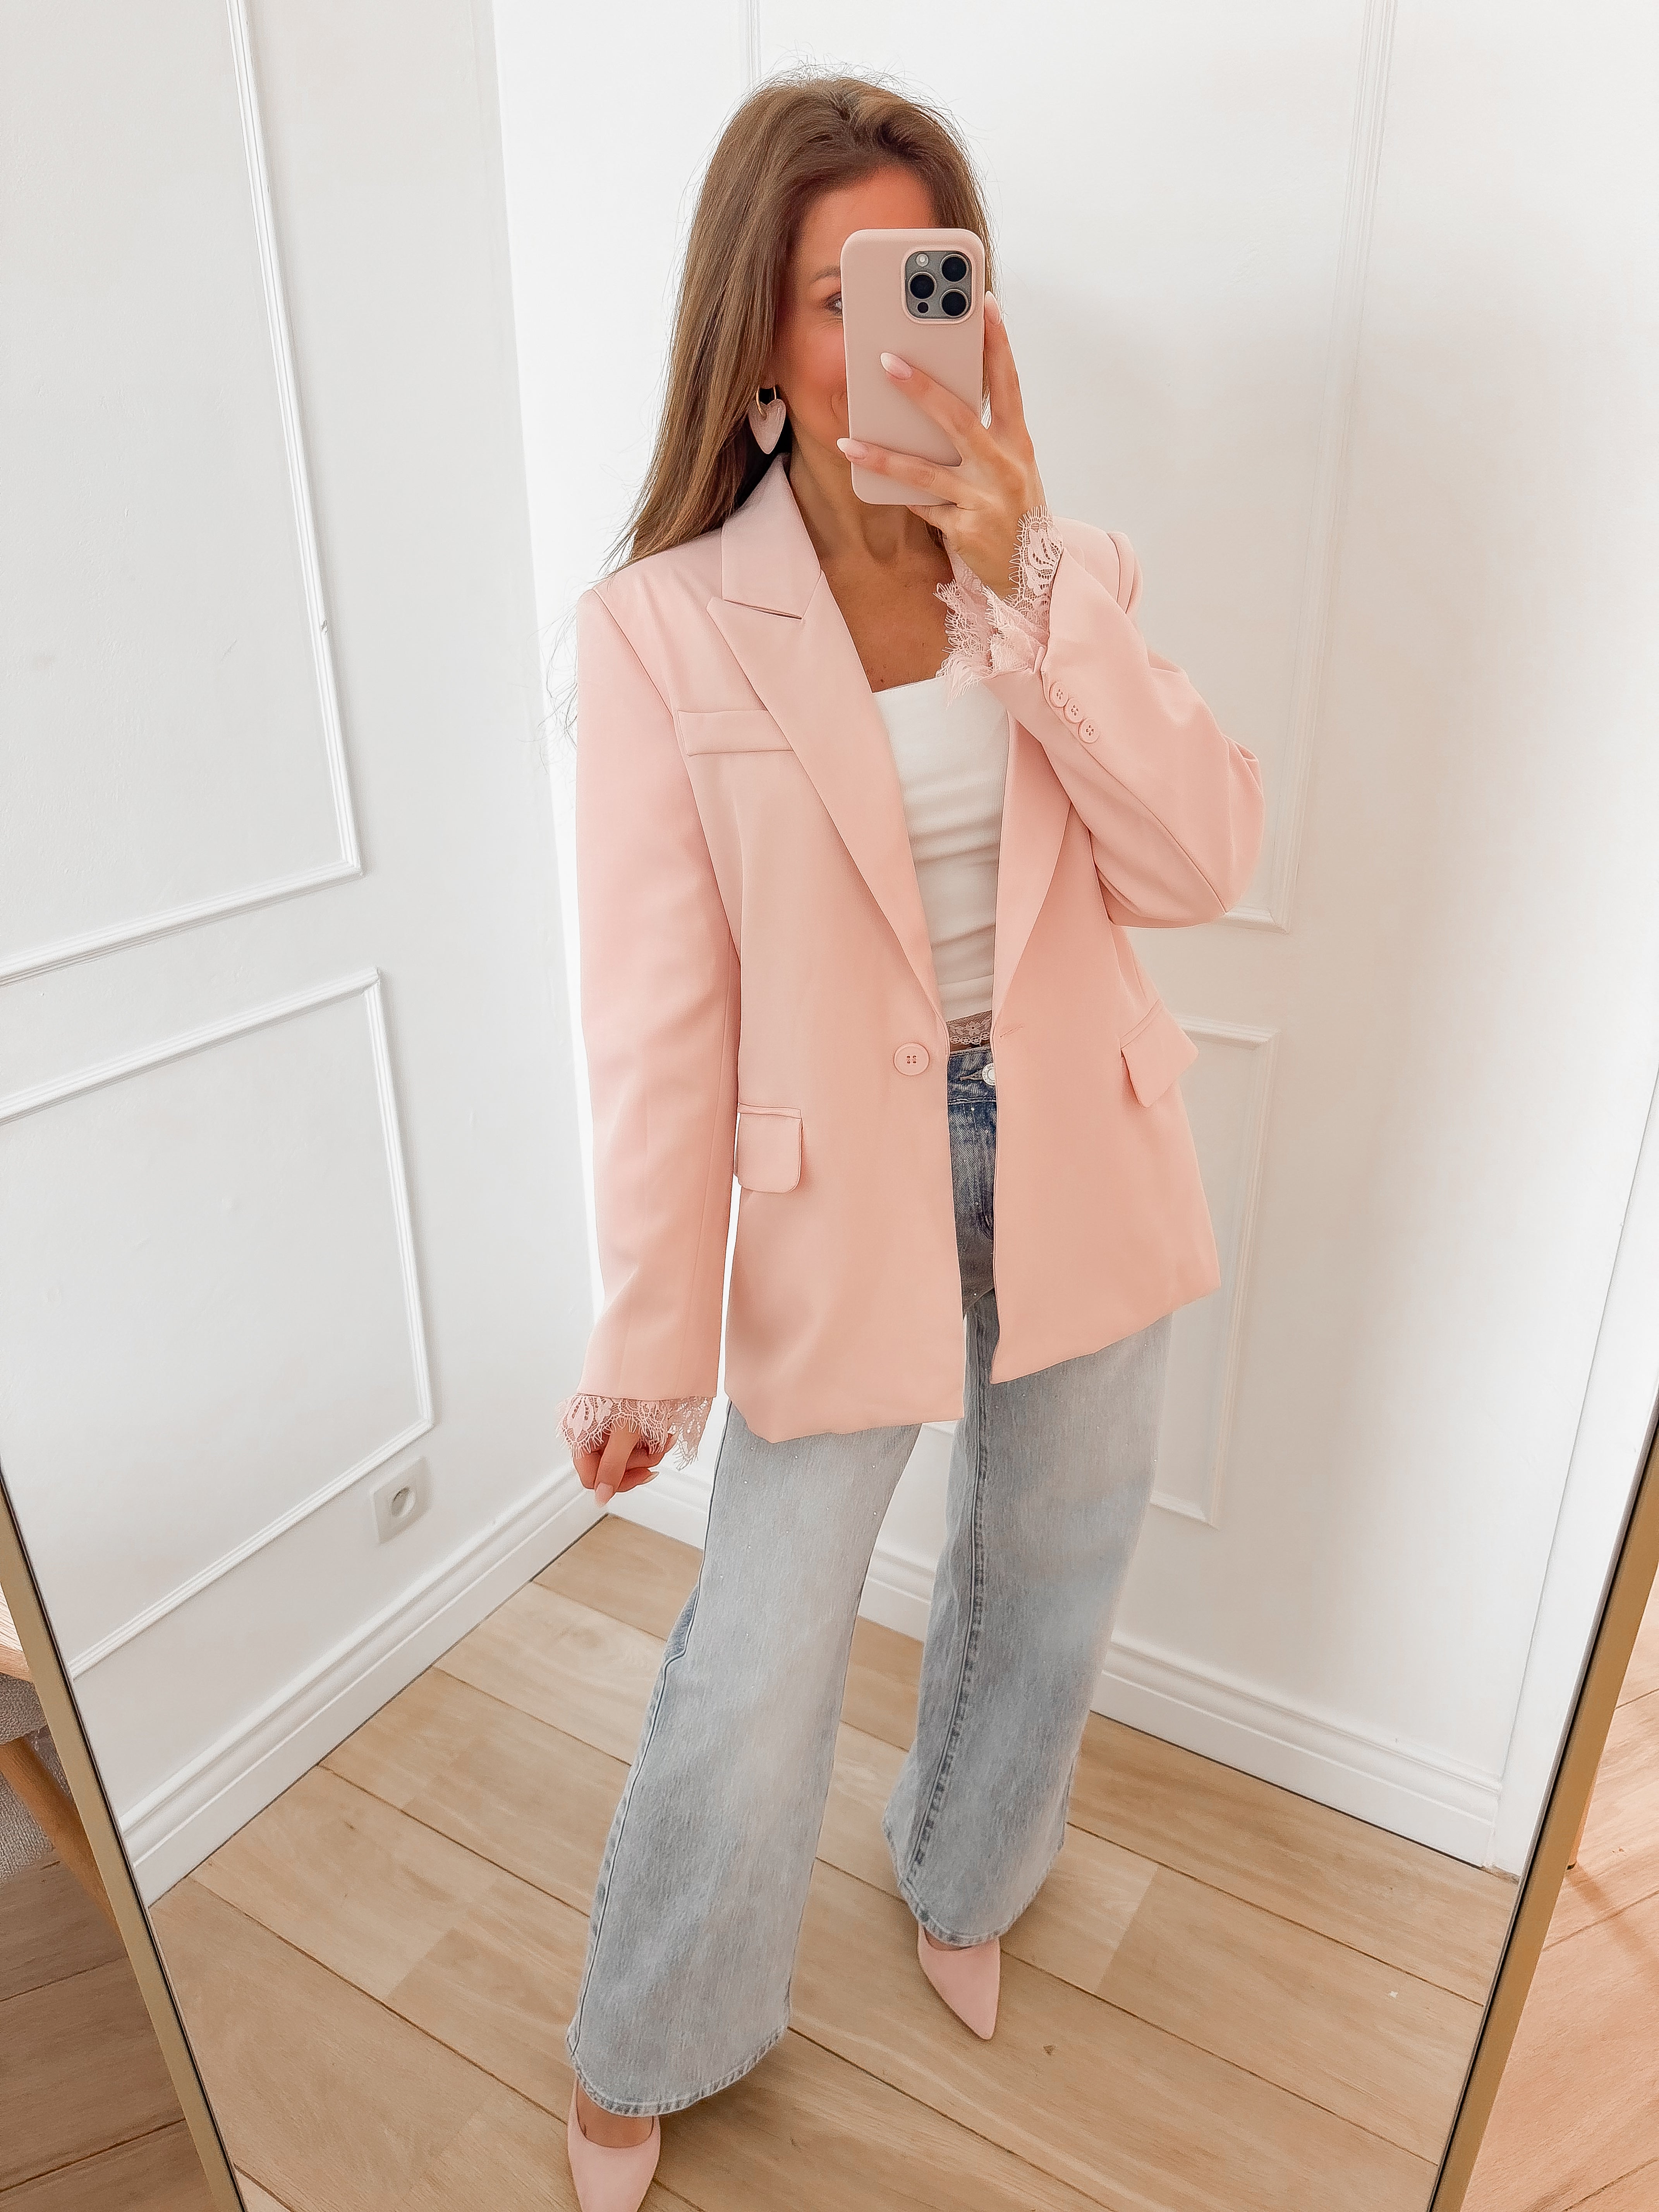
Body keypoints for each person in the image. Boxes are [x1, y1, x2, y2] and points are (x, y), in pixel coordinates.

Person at [556, 71, 1264, 2210]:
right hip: (835, 1196)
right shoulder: (663, 629)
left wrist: (1029, 583)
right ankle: (653, 2027)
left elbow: (1201, 862)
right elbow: (659, 1019)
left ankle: (968, 1871)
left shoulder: (1062, 577)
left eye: (921, 281)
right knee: (760, 1645)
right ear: (757, 342)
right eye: (831, 293)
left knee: (1054, 1562)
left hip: (1084, 1146)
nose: (882, 336)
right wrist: (647, 1338)